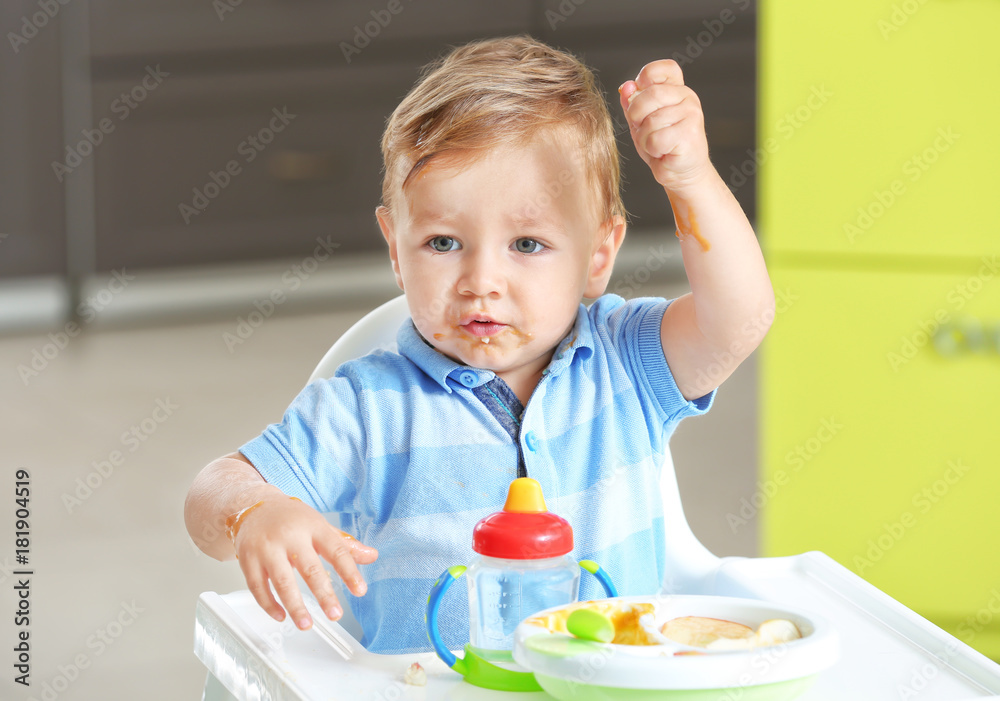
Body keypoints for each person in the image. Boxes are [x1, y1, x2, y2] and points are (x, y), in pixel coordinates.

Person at [184, 35, 773, 654]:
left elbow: (741, 316)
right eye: (442, 243)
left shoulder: (628, 363)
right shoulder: (368, 407)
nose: (481, 283)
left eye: (527, 244)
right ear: (395, 248)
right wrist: (253, 513)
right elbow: (212, 490)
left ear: (598, 255)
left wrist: (690, 179)